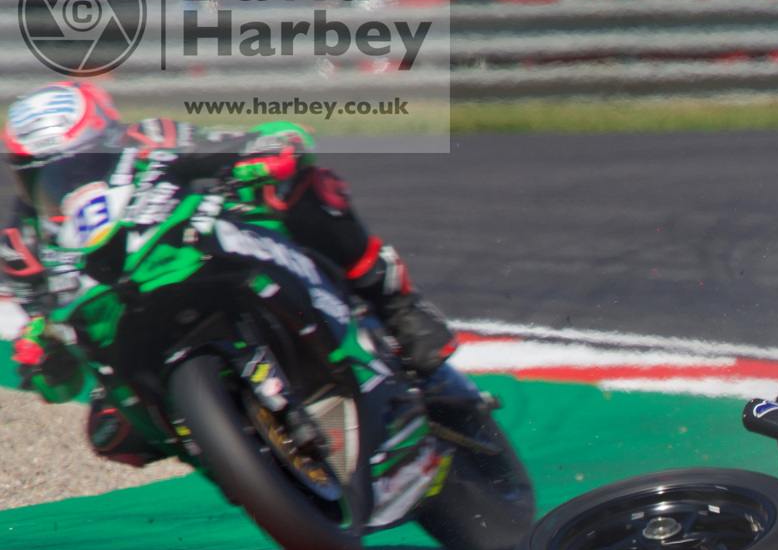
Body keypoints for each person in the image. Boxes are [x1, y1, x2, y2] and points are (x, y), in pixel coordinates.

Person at [1, 81, 455, 462]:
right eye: (40, 175)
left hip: (191, 258)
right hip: (118, 327)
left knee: (299, 190)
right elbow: (50, 359)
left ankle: (396, 306)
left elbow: (248, 143)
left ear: (108, 141)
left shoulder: (153, 140)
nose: (65, 184)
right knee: (113, 436)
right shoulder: (21, 242)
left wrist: (267, 150)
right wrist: (43, 356)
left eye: (78, 165)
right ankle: (232, 455)